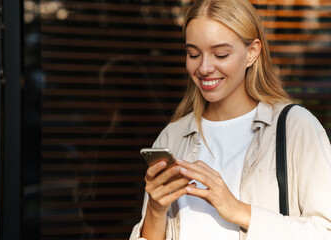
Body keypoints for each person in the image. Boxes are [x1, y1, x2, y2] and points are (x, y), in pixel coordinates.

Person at [130, 0, 331, 239]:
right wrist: (155, 209)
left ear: (252, 52)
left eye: (220, 54)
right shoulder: (172, 136)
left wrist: (237, 210)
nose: (204, 67)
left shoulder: (295, 127)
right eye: (193, 53)